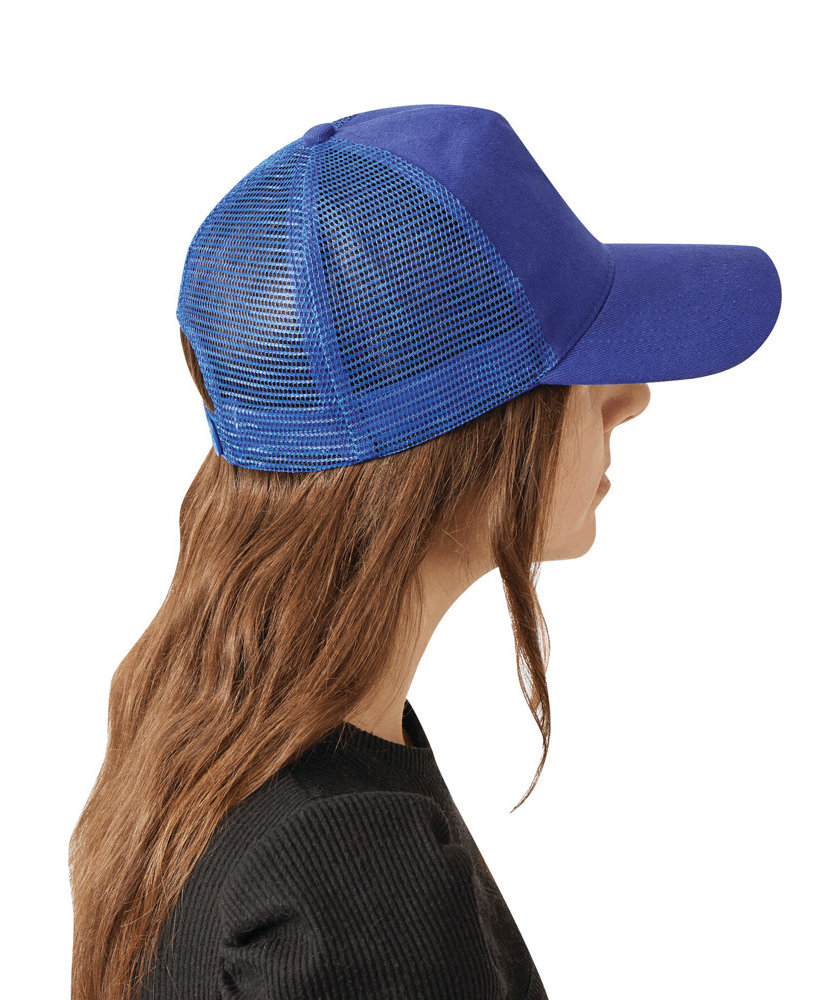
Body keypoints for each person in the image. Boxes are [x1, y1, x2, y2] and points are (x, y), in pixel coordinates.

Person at [68, 104, 781, 1000]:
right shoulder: (348, 867)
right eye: (577, 365)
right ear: (455, 442)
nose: (630, 397)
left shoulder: (199, 746)